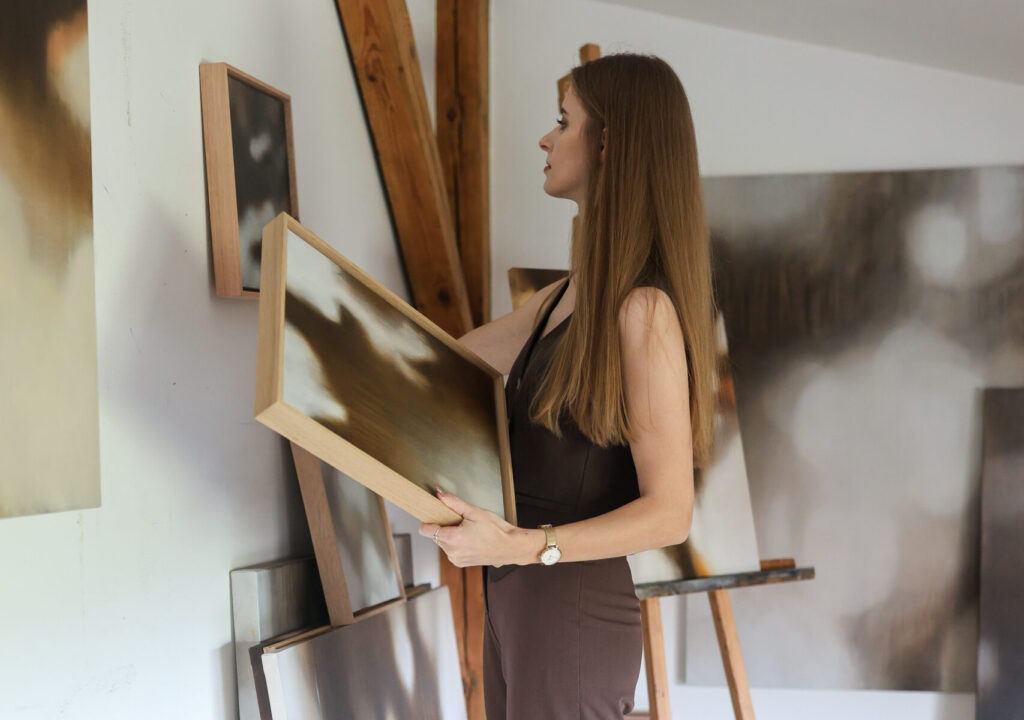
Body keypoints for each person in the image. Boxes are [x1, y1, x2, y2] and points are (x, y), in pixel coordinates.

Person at [418, 53, 717, 719]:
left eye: (563, 121)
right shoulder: (559, 300)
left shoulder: (643, 311)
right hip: (517, 601)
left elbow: (670, 512)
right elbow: (438, 363)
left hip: (569, 612)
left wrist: (521, 546)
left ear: (607, 142)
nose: (545, 139)